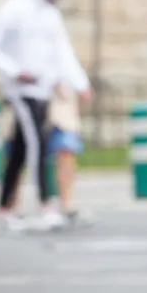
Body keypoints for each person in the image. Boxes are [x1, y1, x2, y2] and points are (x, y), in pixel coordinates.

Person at [0, 0, 92, 232]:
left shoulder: (50, 15)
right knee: (37, 145)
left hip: (43, 90)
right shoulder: (14, 9)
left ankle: (5, 207)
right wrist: (15, 72)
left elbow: (62, 53)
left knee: (19, 150)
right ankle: (47, 204)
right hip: (22, 90)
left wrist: (80, 84)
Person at [46, 80, 92, 227]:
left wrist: (82, 87)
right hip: (40, 106)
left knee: (66, 155)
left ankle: (65, 203)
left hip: (63, 110)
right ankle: (12, 205)